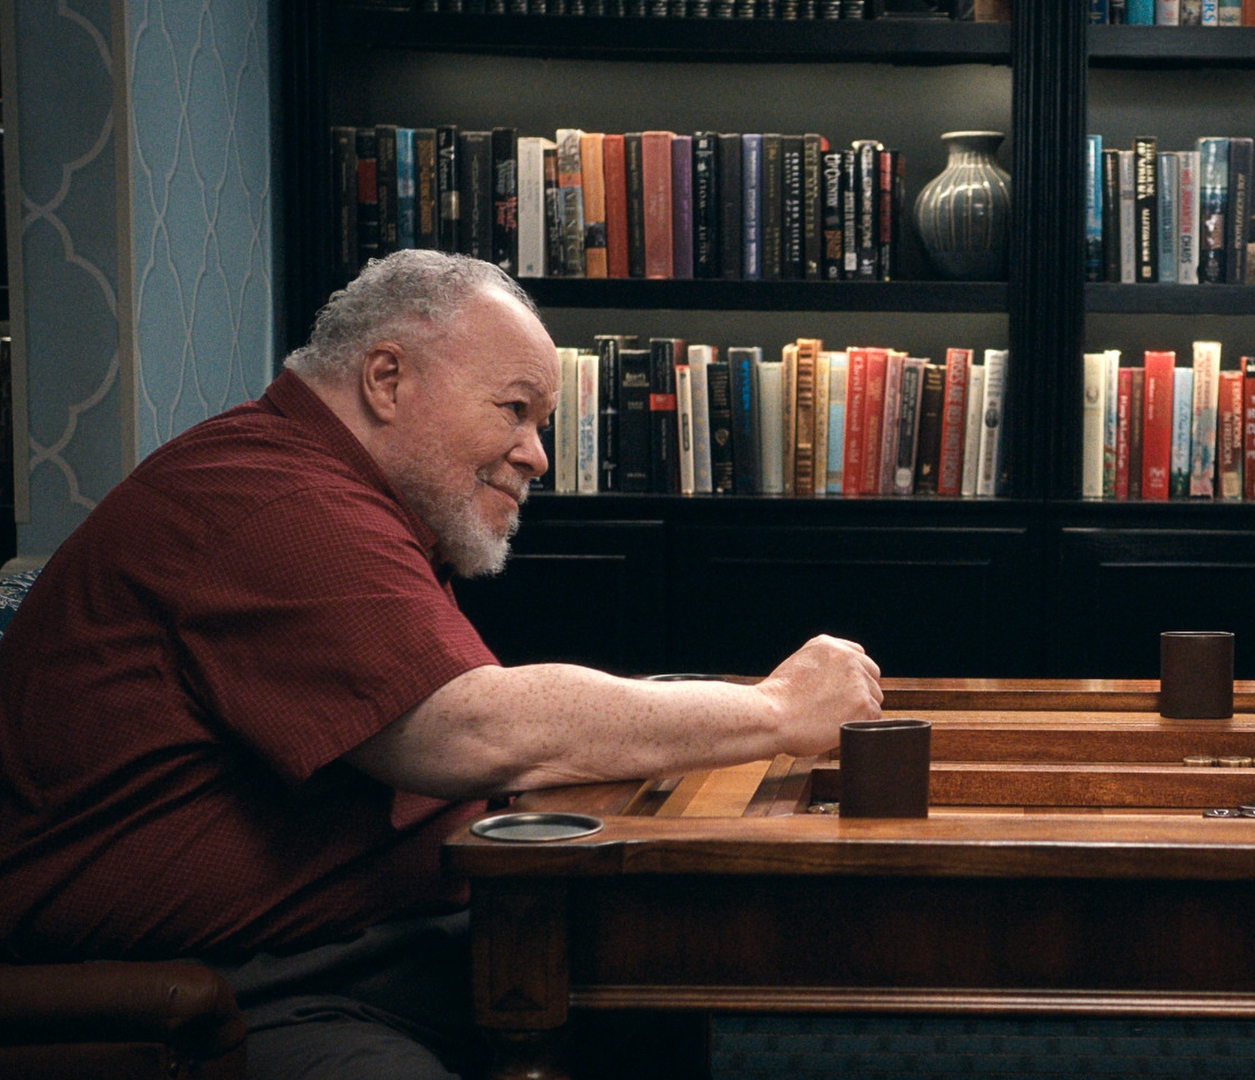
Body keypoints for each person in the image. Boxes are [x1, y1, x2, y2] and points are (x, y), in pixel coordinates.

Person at [0, 250, 883, 1078]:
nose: (537, 455)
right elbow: (466, 729)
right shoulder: (276, 503)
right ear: (387, 380)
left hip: (365, 940)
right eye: (515, 411)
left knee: (651, 1001)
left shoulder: (337, 487)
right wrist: (773, 712)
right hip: (202, 988)